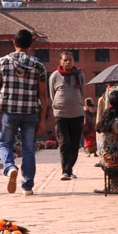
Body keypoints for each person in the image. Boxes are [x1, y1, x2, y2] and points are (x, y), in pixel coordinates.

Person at [0, 30, 50, 195]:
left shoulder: (2, 62)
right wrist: (42, 119)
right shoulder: (38, 66)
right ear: (31, 45)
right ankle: (28, 185)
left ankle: (10, 168)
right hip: (30, 112)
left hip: (9, 111)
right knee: (29, 148)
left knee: (4, 144)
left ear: (14, 43)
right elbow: (43, 95)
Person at [47, 53, 84, 181]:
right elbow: (52, 94)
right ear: (60, 62)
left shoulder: (79, 75)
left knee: (75, 144)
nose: (68, 62)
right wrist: (58, 105)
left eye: (70, 60)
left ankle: (69, 169)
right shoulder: (54, 76)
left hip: (77, 114)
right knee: (64, 142)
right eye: (65, 60)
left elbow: (81, 91)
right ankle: (65, 171)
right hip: (61, 114)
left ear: (73, 61)